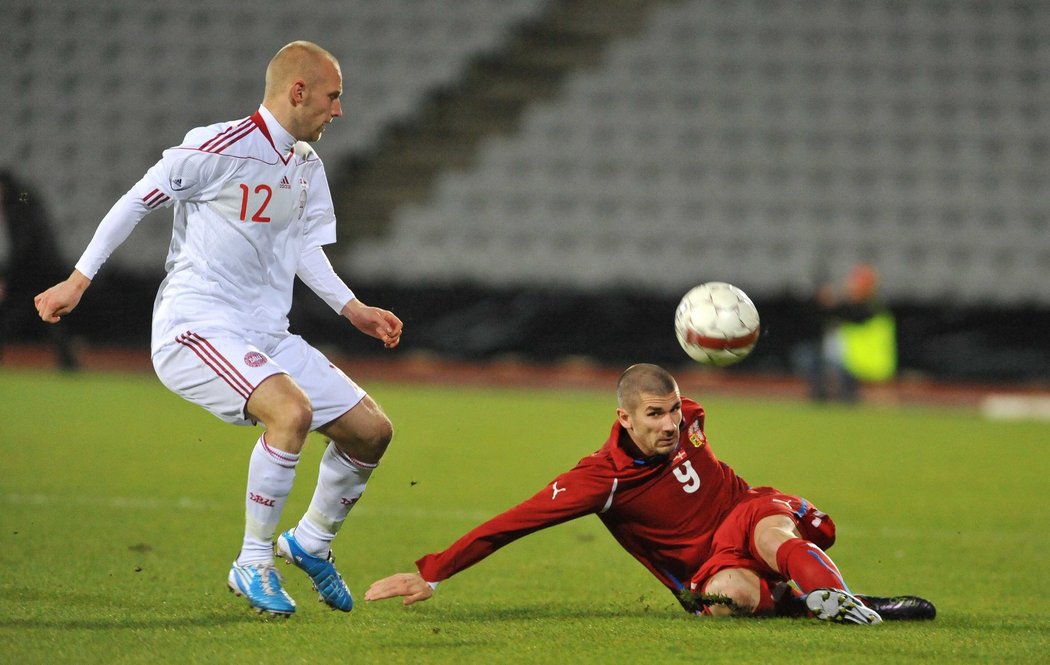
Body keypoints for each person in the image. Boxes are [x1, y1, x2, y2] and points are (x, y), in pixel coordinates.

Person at [34, 41, 403, 618]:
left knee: (371, 432)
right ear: (297, 91)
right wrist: (78, 280)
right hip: (196, 322)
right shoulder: (217, 146)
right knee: (291, 413)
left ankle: (310, 542)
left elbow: (303, 246)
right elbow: (136, 201)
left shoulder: (306, 165)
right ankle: (253, 561)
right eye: (334, 97)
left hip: (265, 332)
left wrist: (351, 308)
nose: (339, 111)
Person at [365, 364, 934, 624]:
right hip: (706, 565)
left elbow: (696, 418)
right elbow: (516, 522)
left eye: (674, 411)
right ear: (625, 417)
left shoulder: (692, 421)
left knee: (768, 530)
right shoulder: (601, 480)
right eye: (655, 415)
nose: (670, 424)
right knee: (730, 597)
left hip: (746, 511)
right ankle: (809, 602)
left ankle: (849, 604)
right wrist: (434, 571)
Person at [0, 170, 78, 370]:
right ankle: (68, 360)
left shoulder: (18, 200)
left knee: (11, 314)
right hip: (43, 265)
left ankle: (68, 360)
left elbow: (24, 243)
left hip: (33, 268)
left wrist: (8, 278)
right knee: (46, 314)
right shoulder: (23, 199)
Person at [797, 263, 897, 402]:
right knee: (808, 355)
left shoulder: (873, 307)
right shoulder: (860, 306)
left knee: (814, 361)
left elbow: (852, 313)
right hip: (851, 367)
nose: (850, 284)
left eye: (857, 280)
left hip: (865, 368)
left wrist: (830, 302)